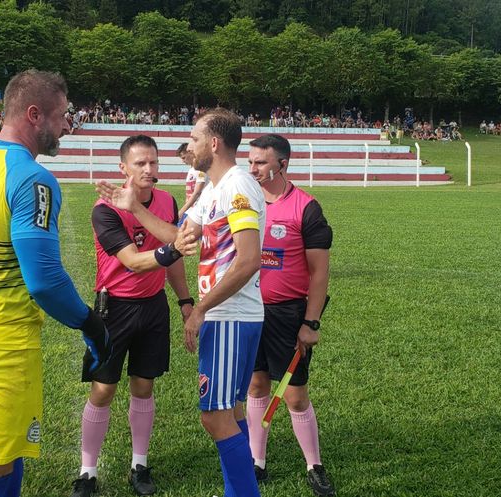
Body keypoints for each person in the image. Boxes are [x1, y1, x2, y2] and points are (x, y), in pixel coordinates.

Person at [0, 69, 112, 497]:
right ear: (35, 115)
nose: (67, 125)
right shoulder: (31, 178)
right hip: (1, 343)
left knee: (9, 453)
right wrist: (91, 324)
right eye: (62, 115)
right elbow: (45, 281)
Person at [98, 108, 265, 497]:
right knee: (230, 410)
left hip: (230, 315)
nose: (188, 146)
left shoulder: (237, 186)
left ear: (214, 143)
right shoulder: (213, 188)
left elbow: (248, 260)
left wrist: (201, 309)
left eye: (193, 138)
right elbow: (178, 238)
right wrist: (134, 207)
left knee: (214, 417)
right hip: (227, 315)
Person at [70, 135, 196, 497]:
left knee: (144, 386)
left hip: (153, 307)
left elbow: (174, 254)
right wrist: (173, 248)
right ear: (123, 167)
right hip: (114, 308)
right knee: (103, 389)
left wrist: (185, 301)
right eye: (140, 163)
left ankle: (139, 465)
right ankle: (88, 471)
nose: (148, 169)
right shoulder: (105, 210)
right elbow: (134, 261)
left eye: (153, 162)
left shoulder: (167, 200)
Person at [245, 134, 335, 496]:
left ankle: (314, 465)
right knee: (256, 385)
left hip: (287, 315)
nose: (252, 168)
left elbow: (320, 272)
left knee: (295, 395)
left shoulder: (306, 208)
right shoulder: (244, 202)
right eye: (250, 161)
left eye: (260, 162)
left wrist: (310, 323)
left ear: (282, 164)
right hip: (249, 310)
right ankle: (256, 461)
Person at [177, 142, 206, 220]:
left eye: (183, 158)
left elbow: (197, 193)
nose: (182, 161)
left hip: (198, 212)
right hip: (190, 210)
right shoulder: (191, 170)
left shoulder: (201, 170)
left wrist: (181, 211)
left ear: (190, 153)